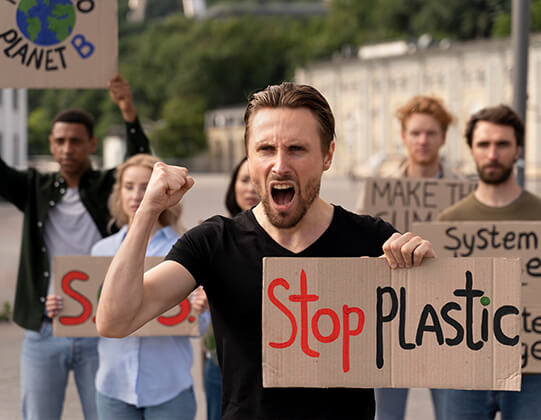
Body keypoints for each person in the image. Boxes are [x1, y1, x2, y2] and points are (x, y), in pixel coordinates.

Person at [96, 82, 436, 420]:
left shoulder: (372, 240)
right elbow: (115, 320)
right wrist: (147, 211)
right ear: (248, 155)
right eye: (266, 149)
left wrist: (427, 268)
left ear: (328, 155)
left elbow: (440, 336)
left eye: (296, 149)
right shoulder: (214, 243)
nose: (280, 165)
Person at [0, 74, 149, 420]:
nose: (68, 149)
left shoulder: (106, 186)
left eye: (76, 141)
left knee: (103, 414)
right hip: (45, 326)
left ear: (92, 144)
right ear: (51, 145)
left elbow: (140, 165)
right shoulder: (34, 188)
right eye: (60, 141)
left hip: (97, 327)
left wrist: (128, 111)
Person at [437, 104, 541, 420]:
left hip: (533, 370)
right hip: (464, 372)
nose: (492, 154)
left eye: (502, 144)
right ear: (472, 149)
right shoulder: (448, 223)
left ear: (518, 149)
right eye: (483, 144)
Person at [89, 154, 208, 419]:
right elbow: (90, 318)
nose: (136, 195)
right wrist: (62, 309)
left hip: (169, 388)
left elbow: (198, 328)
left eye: (145, 187)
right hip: (113, 387)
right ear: (119, 192)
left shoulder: (183, 250)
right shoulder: (101, 250)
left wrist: (200, 310)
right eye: (129, 186)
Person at [375, 95, 458, 420]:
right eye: (416, 133)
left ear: (443, 138)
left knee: (452, 412)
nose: (423, 140)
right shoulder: (380, 193)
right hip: (391, 316)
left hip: (449, 318)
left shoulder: (463, 193)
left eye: (431, 133)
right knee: (386, 414)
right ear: (403, 136)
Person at [202, 156, 259, 420]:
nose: (251, 189)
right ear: (233, 185)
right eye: (245, 180)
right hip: (219, 361)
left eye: (256, 181)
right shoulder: (213, 237)